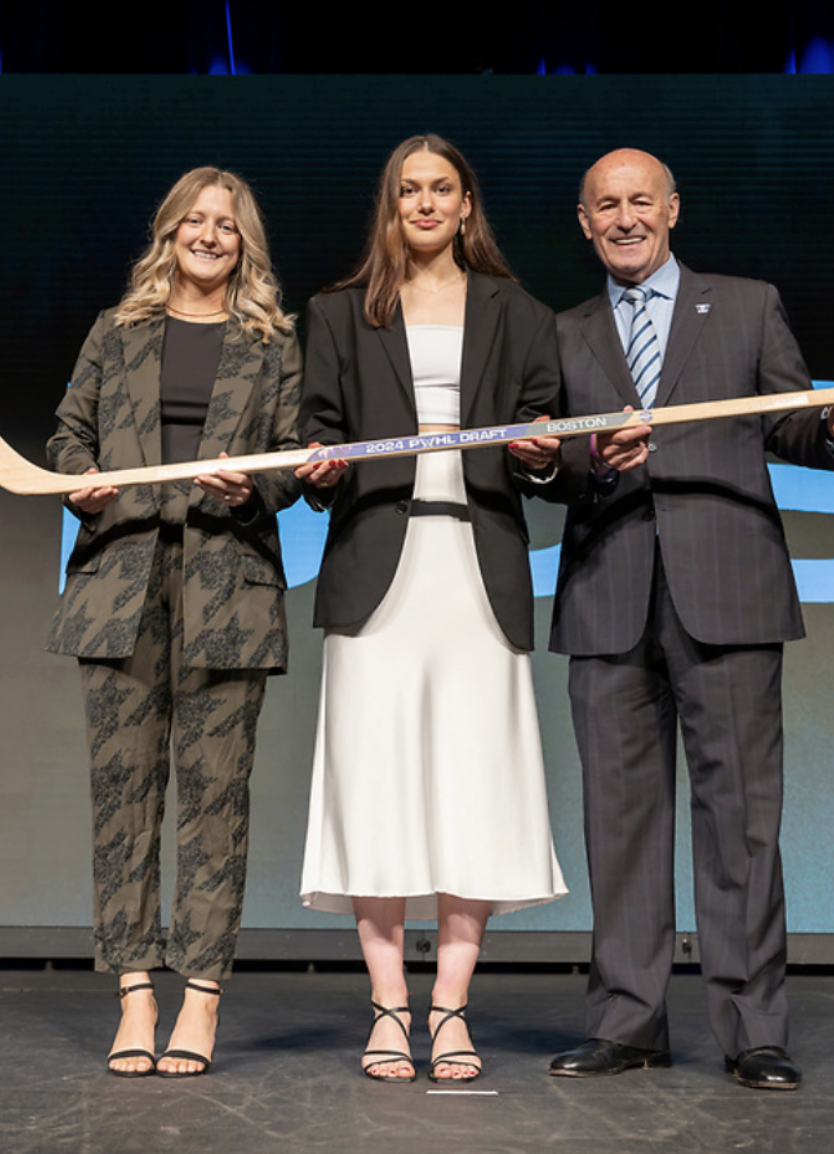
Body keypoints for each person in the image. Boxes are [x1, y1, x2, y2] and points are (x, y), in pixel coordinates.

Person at [539, 149, 834, 1089]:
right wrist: (588, 461)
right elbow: (541, 466)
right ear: (583, 222)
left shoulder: (744, 303)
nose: (624, 219)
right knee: (619, 823)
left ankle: (753, 1030)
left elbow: (787, 420)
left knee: (740, 820)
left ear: (672, 210)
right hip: (608, 592)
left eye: (639, 202)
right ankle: (628, 1021)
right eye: (605, 206)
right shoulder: (560, 332)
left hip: (728, 591)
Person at [296, 134, 568, 1084]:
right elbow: (316, 436)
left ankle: (449, 1011)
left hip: (478, 565)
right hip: (378, 567)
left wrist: (540, 453)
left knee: (473, 788)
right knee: (375, 788)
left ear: (465, 203)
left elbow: (552, 441)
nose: (423, 203)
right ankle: (386, 1008)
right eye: (407, 189)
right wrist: (320, 463)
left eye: (440, 188)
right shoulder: (337, 313)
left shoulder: (520, 312)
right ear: (392, 204)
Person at [46, 167, 303, 1078]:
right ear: (168, 233)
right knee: (123, 803)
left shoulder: (272, 340)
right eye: (192, 221)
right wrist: (81, 479)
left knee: (214, 804)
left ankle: (200, 1000)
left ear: (245, 243)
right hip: (120, 585)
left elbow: (295, 458)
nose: (207, 235)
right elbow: (67, 433)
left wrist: (257, 482)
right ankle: (133, 995)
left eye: (225, 225)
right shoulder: (118, 333)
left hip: (228, 587)